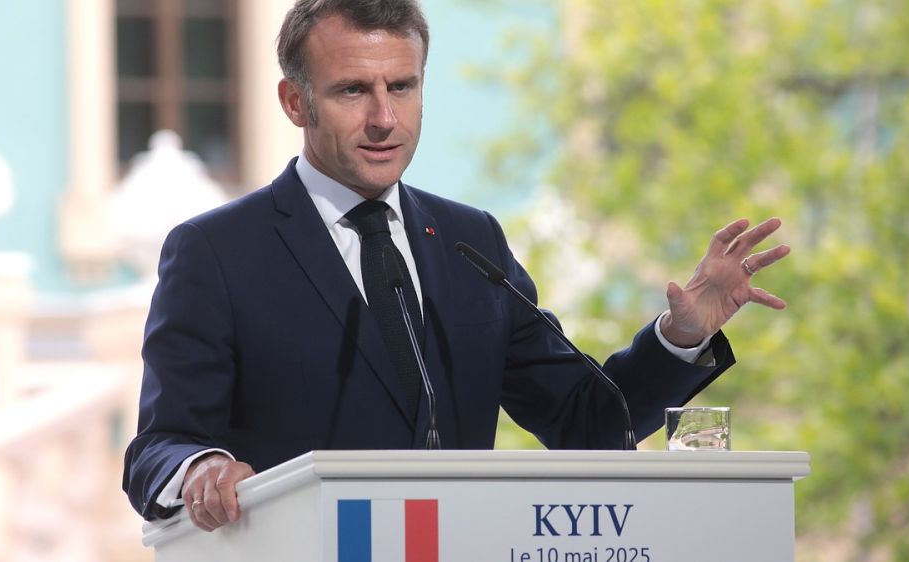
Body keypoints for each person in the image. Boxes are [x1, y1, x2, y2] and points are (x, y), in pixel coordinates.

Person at [122, 0, 790, 532]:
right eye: (353, 90)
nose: (385, 118)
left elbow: (589, 424)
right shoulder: (217, 252)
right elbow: (158, 448)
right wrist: (201, 468)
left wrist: (681, 337)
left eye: (402, 87)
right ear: (295, 102)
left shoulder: (472, 242)